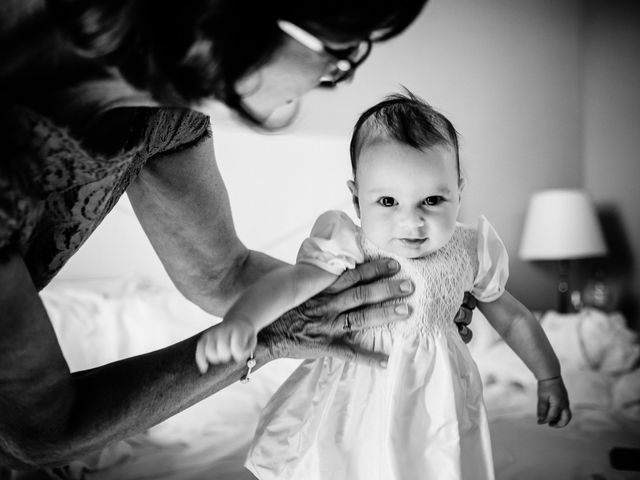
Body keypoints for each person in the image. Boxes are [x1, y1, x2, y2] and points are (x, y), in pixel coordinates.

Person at [0, 0, 479, 471]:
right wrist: (265, 335)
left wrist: (401, 301)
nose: (337, 76)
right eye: (342, 51)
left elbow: (225, 273)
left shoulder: (163, 117)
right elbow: (42, 428)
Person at [195, 91, 578, 480]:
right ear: (357, 199)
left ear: (459, 192)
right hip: (357, 395)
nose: (411, 223)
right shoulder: (351, 246)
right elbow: (292, 285)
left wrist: (549, 376)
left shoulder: (470, 250)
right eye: (388, 202)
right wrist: (243, 319)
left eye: (431, 199)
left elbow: (513, 320)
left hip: (437, 400)